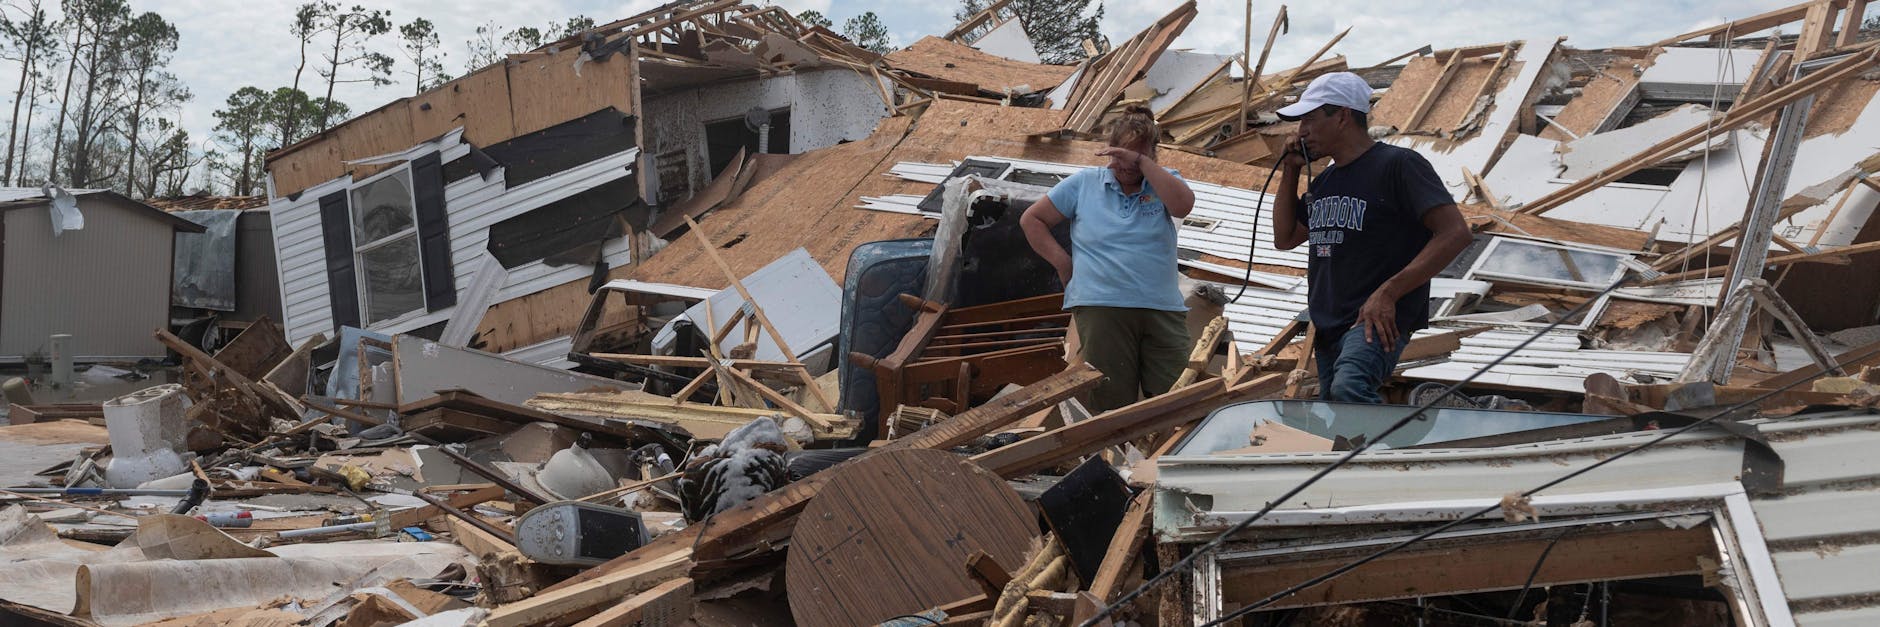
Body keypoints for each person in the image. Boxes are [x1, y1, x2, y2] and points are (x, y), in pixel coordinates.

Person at [1270, 72, 1472, 404]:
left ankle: (1400, 440)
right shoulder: (1325, 182)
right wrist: (1290, 170)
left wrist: (1389, 292)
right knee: (1340, 411)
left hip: (1373, 318)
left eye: (1310, 119)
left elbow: (1455, 233)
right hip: (1329, 321)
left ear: (1342, 117)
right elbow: (1285, 237)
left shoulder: (1398, 165)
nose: (1301, 131)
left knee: (1349, 389)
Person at [1020, 104, 1197, 412]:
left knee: (1176, 398)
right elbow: (1032, 220)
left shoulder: (1164, 180)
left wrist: (1142, 164)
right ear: (1109, 150)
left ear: (1152, 154)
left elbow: (1183, 206)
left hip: (1161, 307)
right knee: (1110, 400)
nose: (1126, 167)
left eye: (1136, 157)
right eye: (1120, 156)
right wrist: (1063, 263)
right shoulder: (1085, 183)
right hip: (1102, 305)